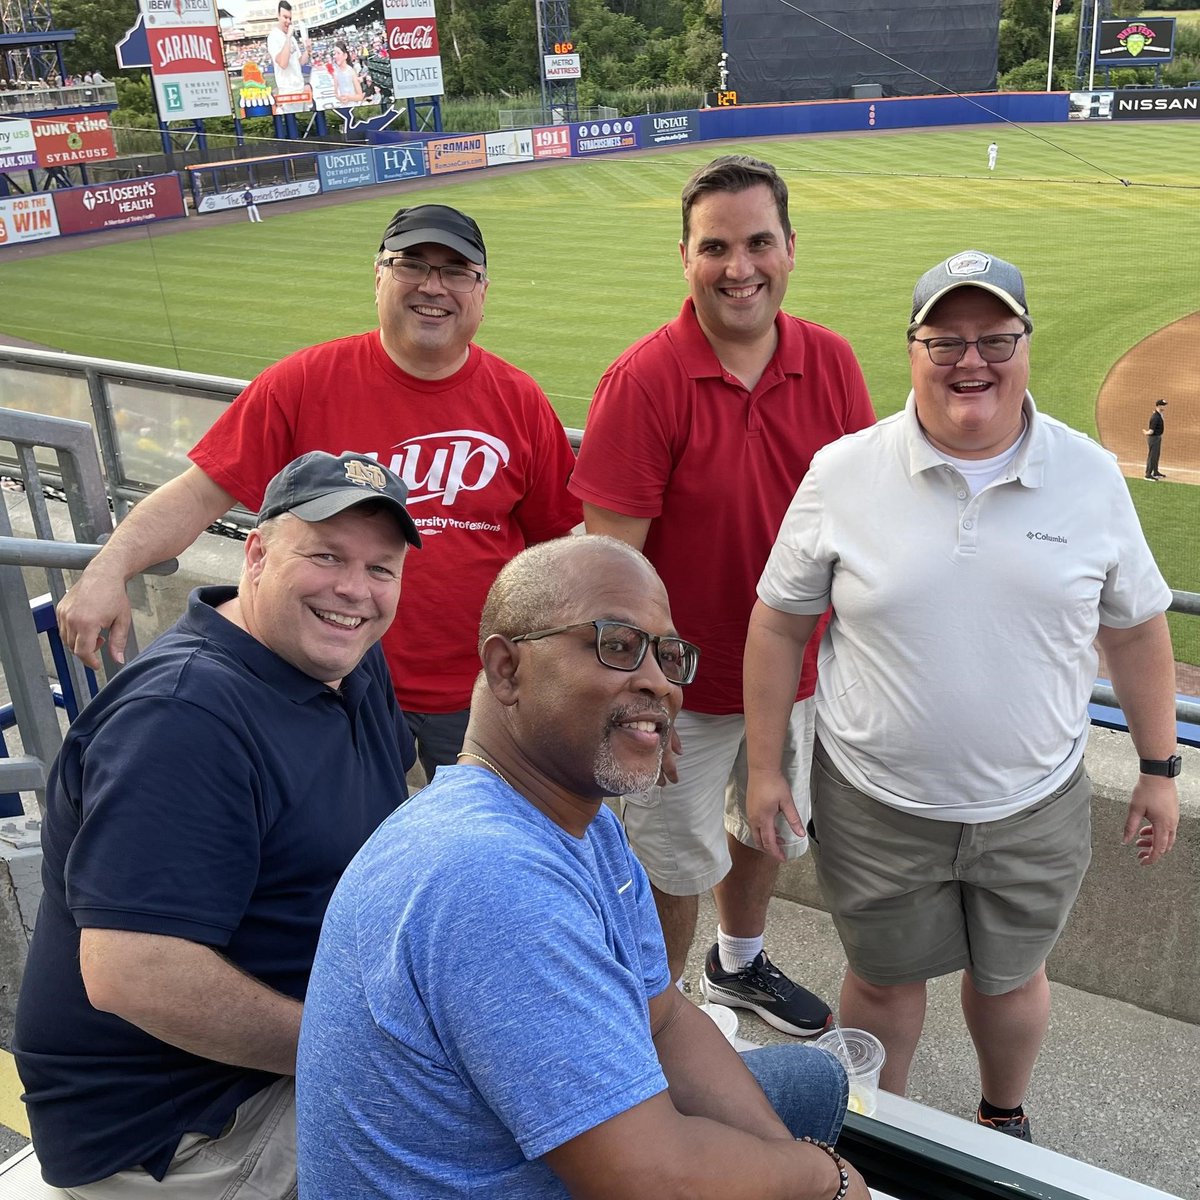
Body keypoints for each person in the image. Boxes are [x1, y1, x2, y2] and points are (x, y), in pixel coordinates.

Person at [743, 249, 1180, 1142]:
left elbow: (1136, 630)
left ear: (1025, 345)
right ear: (912, 350)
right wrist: (763, 767)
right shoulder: (844, 471)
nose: (970, 361)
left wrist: (1159, 768)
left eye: (994, 339)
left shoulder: (1089, 474)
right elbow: (778, 621)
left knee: (1012, 978)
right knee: (880, 981)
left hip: (1034, 801)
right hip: (873, 801)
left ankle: (1000, 1118)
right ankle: (881, 1133)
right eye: (945, 340)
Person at [296, 535, 868, 1200]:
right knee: (810, 1132)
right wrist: (824, 1178)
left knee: (816, 1084)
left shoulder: (581, 821)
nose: (658, 681)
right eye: (618, 646)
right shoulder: (490, 877)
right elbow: (648, 1178)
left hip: (541, 1157)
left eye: (668, 655)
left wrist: (792, 1170)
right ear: (507, 669)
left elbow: (663, 1018)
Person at [14, 451, 422, 1196]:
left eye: (380, 568)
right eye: (326, 555)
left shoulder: (346, 657)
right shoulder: (182, 718)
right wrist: (368, 1048)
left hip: (280, 1055)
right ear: (257, 554)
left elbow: (395, 828)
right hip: (183, 1125)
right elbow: (133, 975)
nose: (354, 591)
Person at [56, 203, 581, 780]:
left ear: (481, 291)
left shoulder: (520, 400)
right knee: (340, 850)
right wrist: (109, 568)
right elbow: (200, 494)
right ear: (379, 276)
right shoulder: (303, 382)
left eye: (457, 271)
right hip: (329, 684)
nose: (434, 286)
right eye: (412, 265)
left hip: (476, 688)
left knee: (487, 852)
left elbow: (555, 552)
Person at [570, 154, 874, 1034]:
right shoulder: (645, 381)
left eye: (757, 243)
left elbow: (859, 517)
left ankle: (738, 966)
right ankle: (658, 1020)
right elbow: (609, 573)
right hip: (681, 690)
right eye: (716, 248)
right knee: (670, 863)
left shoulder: (831, 361)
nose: (738, 267)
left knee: (767, 826)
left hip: (795, 675)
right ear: (686, 257)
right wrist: (638, 698)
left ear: (789, 249)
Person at [267, 0, 309, 94]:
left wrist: (308, 50)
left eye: (290, 18)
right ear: (278, 15)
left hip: (300, 87)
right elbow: (283, 63)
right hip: (288, 91)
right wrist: (288, 37)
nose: (288, 21)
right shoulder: (273, 36)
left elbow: (300, 62)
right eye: (285, 17)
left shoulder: (292, 39)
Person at [1144, 397, 1167, 480]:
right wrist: (1146, 432)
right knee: (1152, 456)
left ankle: (1155, 472)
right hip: (1154, 438)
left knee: (1156, 455)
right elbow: (1151, 430)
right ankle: (1148, 474)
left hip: (1157, 438)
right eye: (1163, 405)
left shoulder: (1158, 415)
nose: (1164, 407)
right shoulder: (1155, 417)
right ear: (1158, 406)